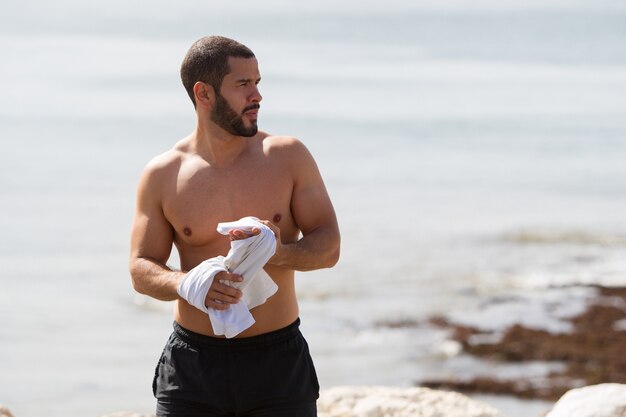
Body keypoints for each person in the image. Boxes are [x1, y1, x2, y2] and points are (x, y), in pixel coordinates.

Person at [129, 35, 340, 417]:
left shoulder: (287, 157)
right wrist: (188, 283)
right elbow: (141, 269)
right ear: (203, 93)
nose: (257, 95)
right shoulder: (163, 174)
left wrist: (280, 251)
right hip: (192, 368)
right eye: (244, 84)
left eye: (258, 82)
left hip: (276, 365)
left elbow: (329, 248)